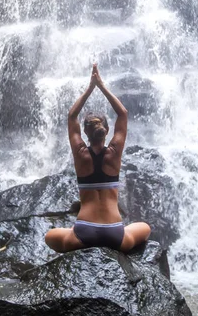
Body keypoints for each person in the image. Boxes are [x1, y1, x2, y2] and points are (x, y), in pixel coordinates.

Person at [45, 64, 151, 253]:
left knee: (49, 236)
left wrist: (90, 88)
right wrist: (101, 86)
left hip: (83, 232)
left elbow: (71, 116)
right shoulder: (114, 152)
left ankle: (74, 232)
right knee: (145, 228)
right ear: (106, 130)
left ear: (85, 131)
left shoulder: (80, 154)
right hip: (114, 234)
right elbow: (123, 114)